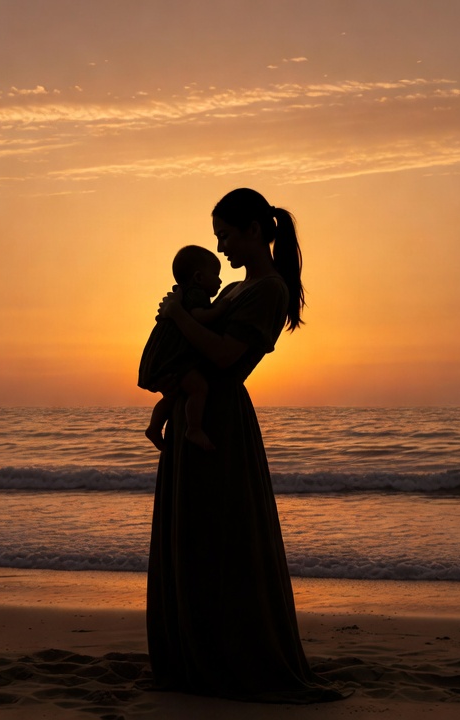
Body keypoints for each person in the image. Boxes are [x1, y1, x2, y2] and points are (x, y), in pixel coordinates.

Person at [146, 188, 348, 703]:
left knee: (224, 538)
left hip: (222, 418)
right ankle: (195, 653)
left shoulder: (269, 291)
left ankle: (233, 656)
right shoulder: (235, 289)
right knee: (194, 537)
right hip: (201, 407)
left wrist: (177, 317)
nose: (224, 248)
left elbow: (222, 354)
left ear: (254, 231)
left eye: (228, 236)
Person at [137, 245, 224, 452]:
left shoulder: (181, 295)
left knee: (172, 396)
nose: (220, 280)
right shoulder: (195, 295)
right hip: (175, 358)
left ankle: (154, 428)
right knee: (199, 388)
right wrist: (221, 309)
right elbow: (198, 317)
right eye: (216, 274)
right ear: (198, 278)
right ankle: (193, 429)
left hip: (163, 357)